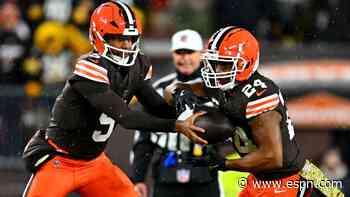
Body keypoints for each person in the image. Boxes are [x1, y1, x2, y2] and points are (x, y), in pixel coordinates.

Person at [21, 2, 207, 197]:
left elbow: (156, 107)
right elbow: (126, 118)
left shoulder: (138, 65)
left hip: (94, 162)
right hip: (59, 161)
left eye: (130, 38)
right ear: (99, 37)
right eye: (119, 39)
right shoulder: (90, 67)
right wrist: (177, 126)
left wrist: (180, 102)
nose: (126, 45)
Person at [179, 26, 344, 196]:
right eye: (215, 64)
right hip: (260, 179)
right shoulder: (226, 87)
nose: (217, 71)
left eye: (224, 64)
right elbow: (174, 90)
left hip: (286, 181)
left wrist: (225, 164)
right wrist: (180, 92)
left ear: (245, 63)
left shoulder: (259, 95)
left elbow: (272, 157)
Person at [131, 29, 221, 197]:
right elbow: (144, 138)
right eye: (180, 52)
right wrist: (138, 178)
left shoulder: (217, 89)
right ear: (172, 54)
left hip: (207, 173)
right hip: (167, 173)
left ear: (201, 54)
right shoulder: (158, 89)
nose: (185, 58)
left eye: (190, 52)